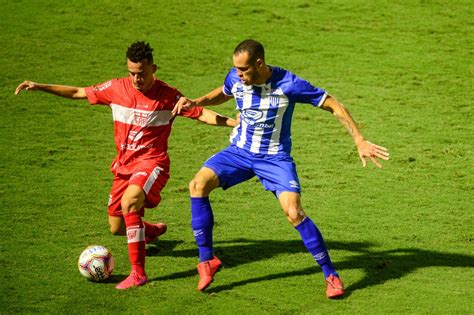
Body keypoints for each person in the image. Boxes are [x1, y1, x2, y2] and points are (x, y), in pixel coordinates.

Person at [173, 39, 389, 298]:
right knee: (197, 185)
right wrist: (196, 102)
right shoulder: (236, 77)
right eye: (236, 70)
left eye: (244, 70)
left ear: (259, 63)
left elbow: (333, 104)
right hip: (238, 152)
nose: (238, 75)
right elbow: (224, 91)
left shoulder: (289, 84)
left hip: (274, 158)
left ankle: (330, 275)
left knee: (294, 212)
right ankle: (207, 260)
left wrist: (359, 139)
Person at [15, 41, 237, 290]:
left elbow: (201, 114)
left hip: (153, 163)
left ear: (154, 68)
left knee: (130, 202)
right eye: (132, 73)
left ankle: (138, 274)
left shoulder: (167, 95)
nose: (136, 78)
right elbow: (78, 92)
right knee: (117, 227)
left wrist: (233, 124)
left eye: (141, 73)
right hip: (123, 166)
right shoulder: (116, 88)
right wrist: (39, 86)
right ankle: (149, 232)